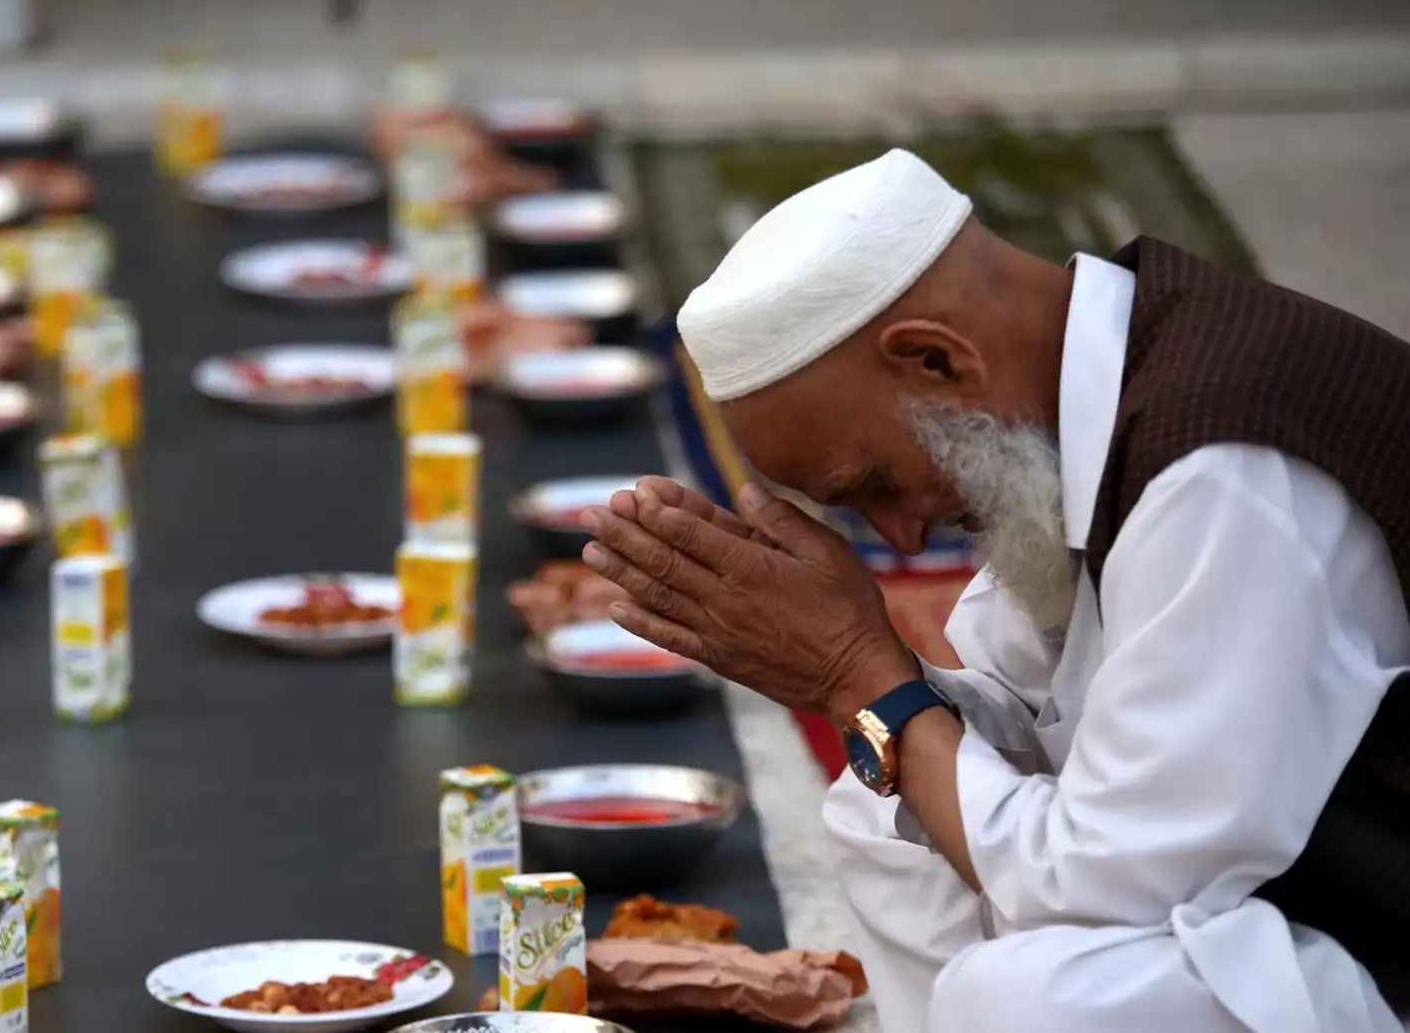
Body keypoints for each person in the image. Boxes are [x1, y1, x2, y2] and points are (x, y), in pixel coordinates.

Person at [579, 148, 1410, 1033]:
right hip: (1287, 900)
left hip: (1381, 941)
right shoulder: (1089, 383)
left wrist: (862, 677)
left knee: (1027, 997)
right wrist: (853, 679)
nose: (901, 536)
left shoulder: (1224, 471)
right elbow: (1030, 725)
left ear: (936, 361)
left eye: (879, 482)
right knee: (884, 797)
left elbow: (1103, 886)